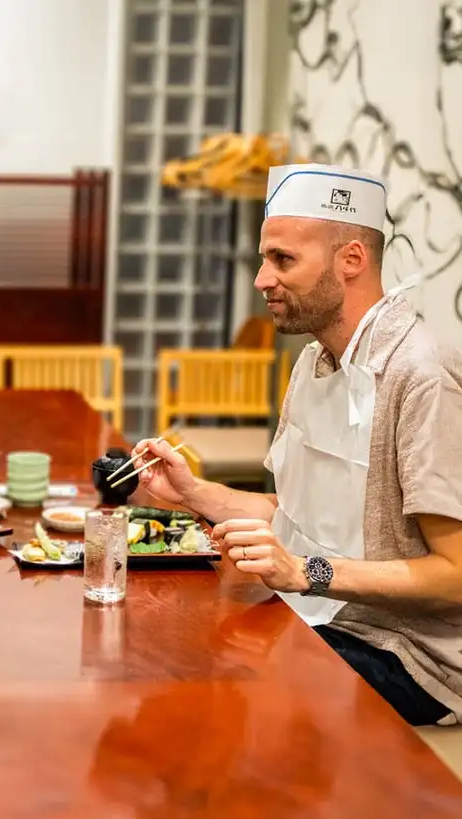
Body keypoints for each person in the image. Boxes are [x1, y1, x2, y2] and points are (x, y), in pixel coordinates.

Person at [134, 163, 462, 727]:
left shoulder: (422, 374)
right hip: (325, 613)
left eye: (282, 260)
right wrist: (194, 492)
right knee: (163, 643)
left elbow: (456, 575)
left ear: (351, 260)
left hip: (410, 655)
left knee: (217, 695)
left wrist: (306, 571)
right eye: (266, 258)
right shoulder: (316, 360)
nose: (262, 279)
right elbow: (301, 518)